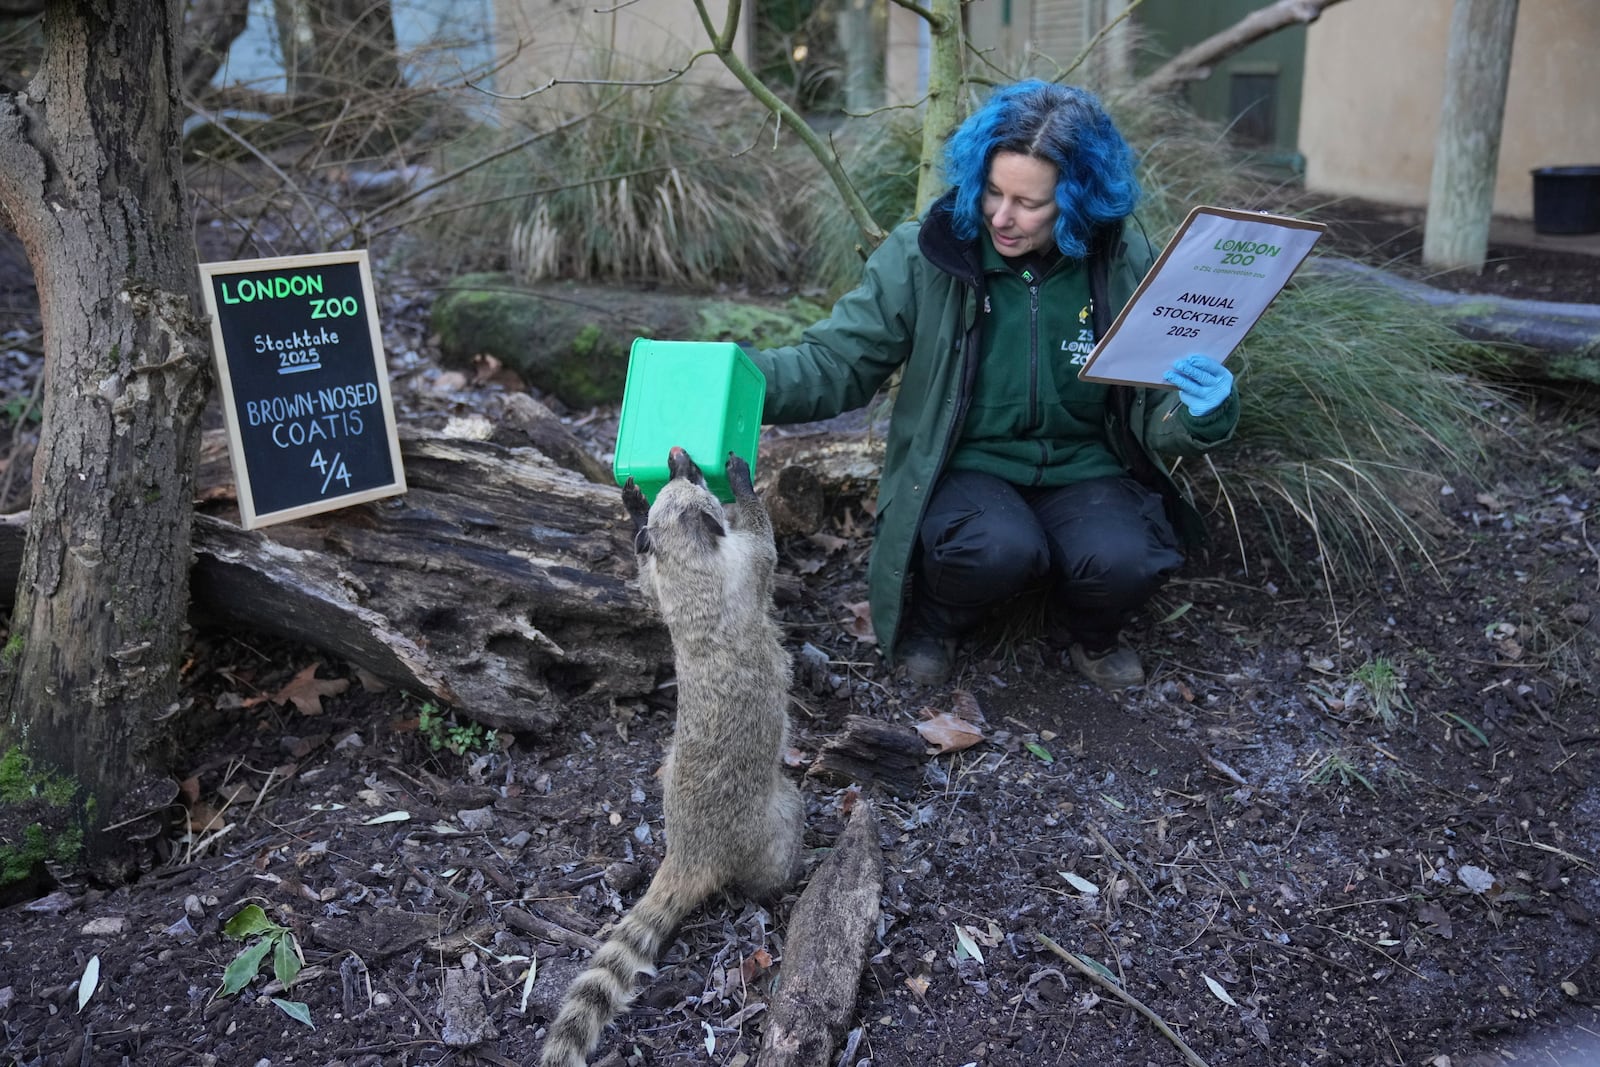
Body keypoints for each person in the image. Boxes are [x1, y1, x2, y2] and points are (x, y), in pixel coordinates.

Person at [746, 80, 1239, 690]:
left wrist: (1204, 408)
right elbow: (836, 363)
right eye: (993, 191)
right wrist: (736, 380)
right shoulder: (925, 256)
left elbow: (1158, 404)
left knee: (1126, 558)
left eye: (1029, 203)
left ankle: (1089, 629)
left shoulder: (1123, 261)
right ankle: (936, 622)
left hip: (1084, 467)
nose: (1001, 217)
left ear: (1080, 202)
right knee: (997, 549)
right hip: (964, 466)